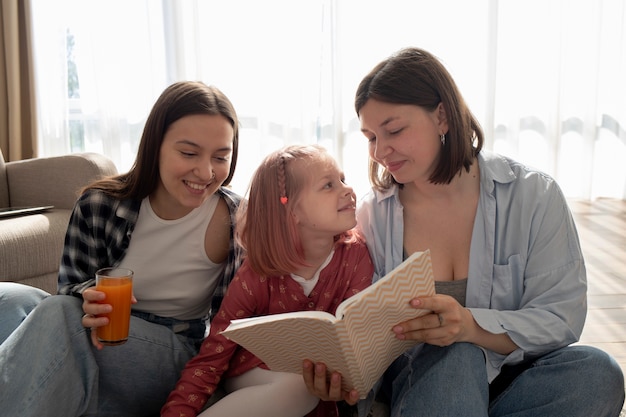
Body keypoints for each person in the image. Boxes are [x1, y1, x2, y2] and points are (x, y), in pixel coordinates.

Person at [302, 47, 626, 417]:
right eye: (370, 137)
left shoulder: (534, 196)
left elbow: (561, 316)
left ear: (442, 116)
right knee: (456, 357)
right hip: (417, 381)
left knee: (599, 374)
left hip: (510, 377)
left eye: (393, 130)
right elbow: (360, 333)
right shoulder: (372, 214)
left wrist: (472, 327)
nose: (380, 150)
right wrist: (338, 375)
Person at [0, 81, 245, 417]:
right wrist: (90, 299)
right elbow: (70, 288)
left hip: (174, 348)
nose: (206, 172)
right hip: (104, 335)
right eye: (188, 153)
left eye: (221, 156)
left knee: (59, 316)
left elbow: (242, 321)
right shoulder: (100, 204)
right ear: (155, 146)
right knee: (8, 301)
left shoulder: (236, 220)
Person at [161, 144, 374, 417]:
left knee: (306, 387)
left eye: (343, 179)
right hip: (254, 369)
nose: (347, 189)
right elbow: (214, 353)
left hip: (315, 378)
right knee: (299, 386)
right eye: (329, 185)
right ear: (292, 212)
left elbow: (356, 339)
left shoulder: (356, 255)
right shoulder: (257, 274)